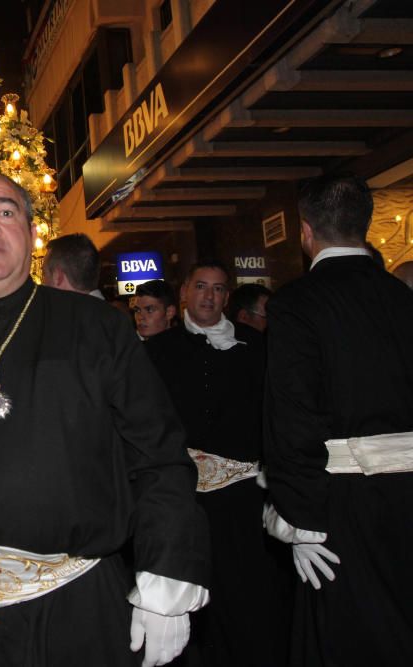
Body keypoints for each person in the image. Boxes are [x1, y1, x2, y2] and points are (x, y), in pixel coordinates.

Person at [0, 172, 209, 667]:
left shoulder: (98, 328)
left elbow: (159, 457)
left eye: (5, 212)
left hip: (73, 603)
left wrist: (166, 572)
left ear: (33, 233)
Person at [263, 174, 413, 665]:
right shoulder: (403, 298)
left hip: (345, 504)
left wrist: (302, 520)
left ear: (306, 232)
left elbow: (292, 416)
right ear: (366, 226)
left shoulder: (297, 303)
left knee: (352, 639)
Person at [145, 262, 289, 667]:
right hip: (184, 499)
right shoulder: (157, 351)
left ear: (227, 297)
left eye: (218, 289)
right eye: (201, 287)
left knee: (246, 597)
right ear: (185, 293)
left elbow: (273, 414)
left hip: (244, 497)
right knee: (190, 596)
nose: (209, 296)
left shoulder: (255, 346)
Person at [41, 233, 104, 298]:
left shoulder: (79, 307)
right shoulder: (102, 306)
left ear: (58, 277)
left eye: (44, 274)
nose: (43, 283)